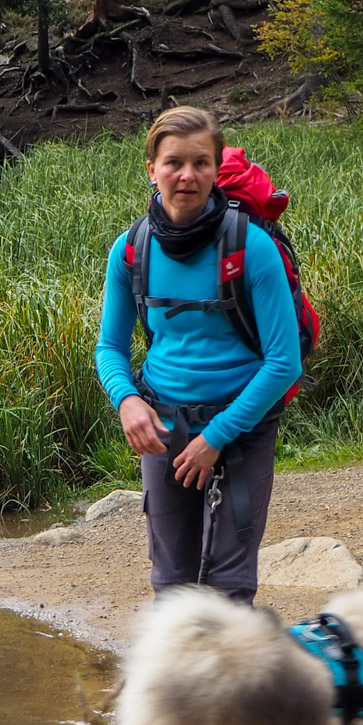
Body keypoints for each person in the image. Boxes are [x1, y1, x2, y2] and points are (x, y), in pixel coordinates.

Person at [94, 105, 302, 606]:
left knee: (229, 587)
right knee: (171, 582)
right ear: (152, 169)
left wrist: (216, 437)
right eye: (173, 163)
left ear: (215, 167)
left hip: (240, 429)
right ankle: (179, 684)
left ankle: (230, 683)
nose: (187, 175)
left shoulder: (252, 248)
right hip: (164, 429)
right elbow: (109, 348)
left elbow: (284, 362)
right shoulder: (131, 250)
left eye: (201, 163)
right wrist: (127, 401)